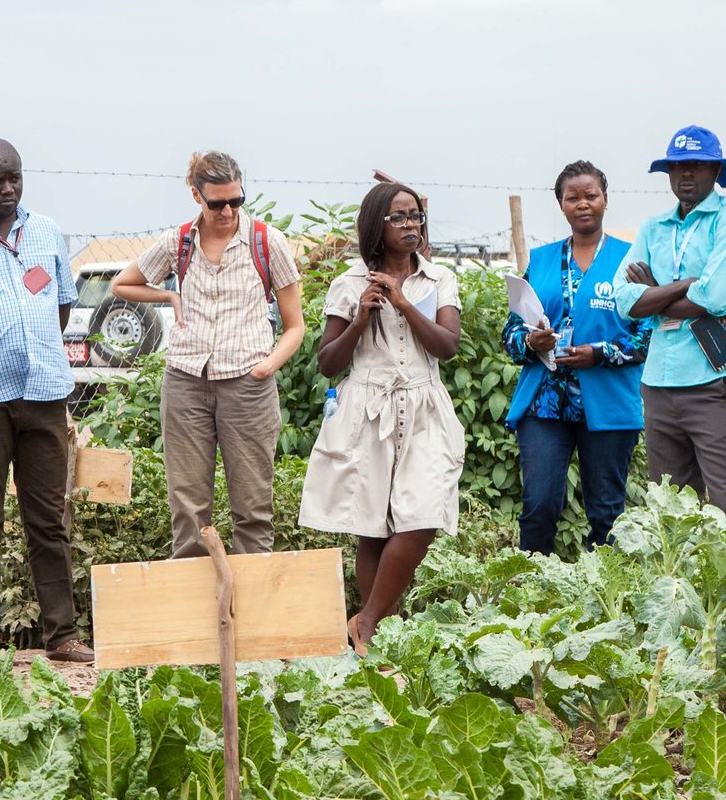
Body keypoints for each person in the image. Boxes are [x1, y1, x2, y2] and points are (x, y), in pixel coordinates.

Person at [0, 137, 93, 662]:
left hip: (45, 392)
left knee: (48, 519)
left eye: (15, 179)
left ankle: (62, 634)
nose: (7, 189)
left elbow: (61, 307)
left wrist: (32, 347)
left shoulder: (46, 231)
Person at [111, 151, 304, 558]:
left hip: (247, 384)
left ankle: (253, 617)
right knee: (188, 510)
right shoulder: (177, 241)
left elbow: (295, 326)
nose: (228, 210)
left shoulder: (267, 242)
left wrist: (267, 365)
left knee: (252, 507)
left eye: (237, 200)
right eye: (217, 203)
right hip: (186, 381)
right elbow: (122, 285)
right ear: (197, 196)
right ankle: (194, 615)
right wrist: (166, 293)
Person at [301, 181, 464, 652]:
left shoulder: (437, 280)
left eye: (415, 216)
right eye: (399, 217)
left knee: (424, 516)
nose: (411, 225)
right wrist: (358, 321)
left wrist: (403, 302)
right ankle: (379, 644)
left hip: (424, 406)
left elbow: (447, 347)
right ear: (377, 225)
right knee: (373, 525)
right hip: (367, 408)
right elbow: (328, 363)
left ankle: (366, 623)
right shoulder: (349, 282)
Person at [610, 125, 726, 518]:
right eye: (676, 166)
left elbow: (713, 297)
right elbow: (623, 302)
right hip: (658, 382)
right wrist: (684, 286)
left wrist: (654, 292)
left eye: (696, 165)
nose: (686, 174)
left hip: (711, 377)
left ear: (716, 172)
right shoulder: (652, 228)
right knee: (672, 507)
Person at [501, 160, 648, 551]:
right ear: (561, 204)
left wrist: (599, 353)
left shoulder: (629, 260)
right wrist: (532, 343)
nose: (583, 204)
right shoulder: (542, 260)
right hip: (545, 403)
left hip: (607, 403)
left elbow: (646, 336)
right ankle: (534, 595)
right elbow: (511, 332)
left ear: (605, 200)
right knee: (540, 505)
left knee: (606, 511)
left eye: (591, 196)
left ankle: (607, 600)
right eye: (573, 198)